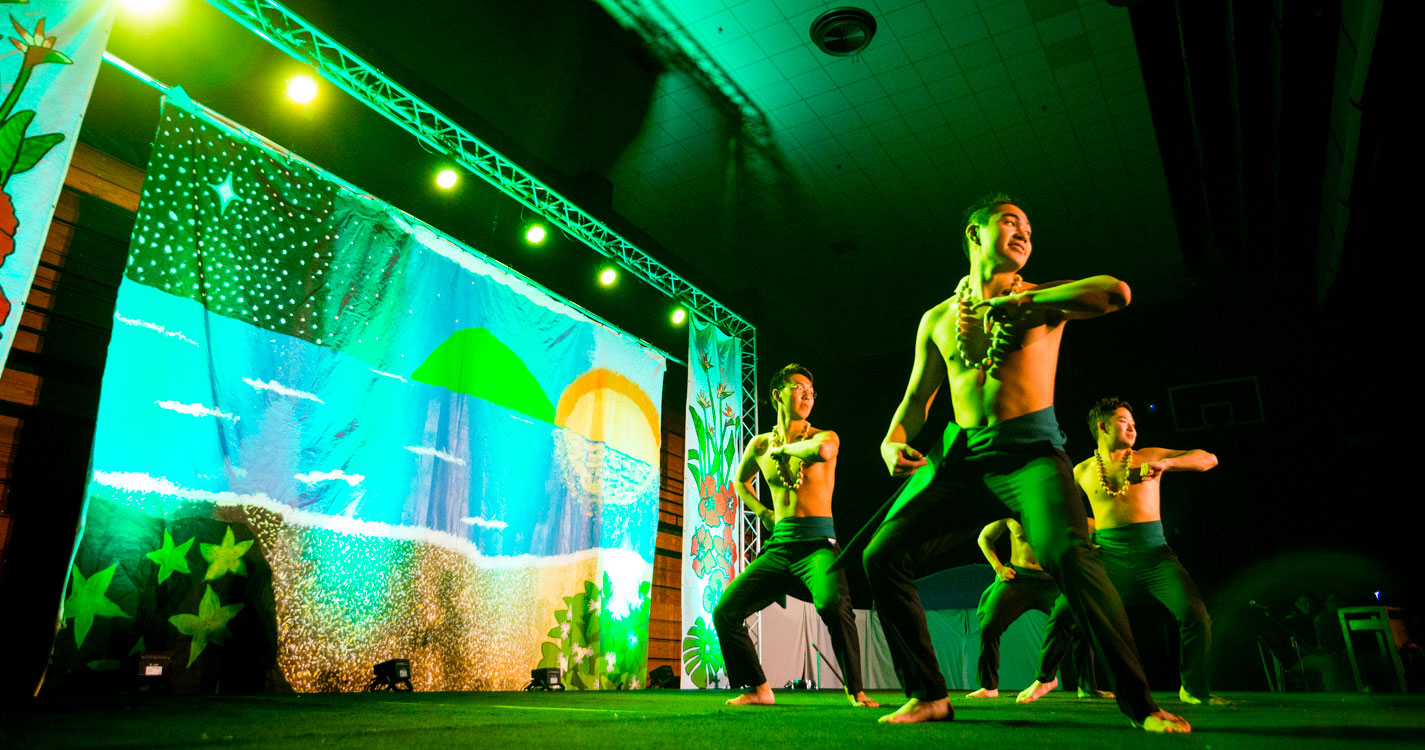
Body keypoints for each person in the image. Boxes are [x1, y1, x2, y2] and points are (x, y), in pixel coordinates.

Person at [840, 193, 1190, 731]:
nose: (1024, 231)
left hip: (1030, 452)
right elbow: (917, 400)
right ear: (974, 236)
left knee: (1069, 553)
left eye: (1029, 225)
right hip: (961, 455)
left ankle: (1141, 703)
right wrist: (892, 440)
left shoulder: (1045, 297)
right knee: (880, 554)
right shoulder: (937, 319)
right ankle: (929, 694)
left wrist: (1025, 305)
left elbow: (1116, 293)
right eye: (1009, 222)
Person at [714, 364, 878, 708]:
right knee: (725, 612)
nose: (807, 395)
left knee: (833, 605)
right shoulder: (760, 445)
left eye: (811, 392)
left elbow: (823, 453)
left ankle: (856, 691)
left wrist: (784, 452)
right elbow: (740, 482)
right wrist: (763, 512)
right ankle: (759, 688)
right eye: (799, 388)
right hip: (779, 548)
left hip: (818, 545)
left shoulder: (824, 435)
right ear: (778, 395)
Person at [1065, 397, 1230, 706]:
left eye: (1134, 423)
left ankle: (1193, 689)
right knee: (1071, 613)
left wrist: (1166, 463)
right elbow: (1069, 516)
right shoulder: (1082, 471)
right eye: (1124, 420)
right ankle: (1079, 683)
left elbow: (1208, 459)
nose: (1132, 427)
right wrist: (1096, 530)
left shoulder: (1149, 455)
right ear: (1102, 426)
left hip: (1154, 554)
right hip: (1109, 554)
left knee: (1195, 616)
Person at [966, 518, 1108, 699]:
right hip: (1018, 579)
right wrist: (998, 568)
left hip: (1054, 580)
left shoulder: (1061, 510)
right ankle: (989, 687)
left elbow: (1103, 528)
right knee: (988, 626)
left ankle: (1087, 686)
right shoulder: (1013, 512)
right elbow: (984, 537)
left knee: (1081, 622)